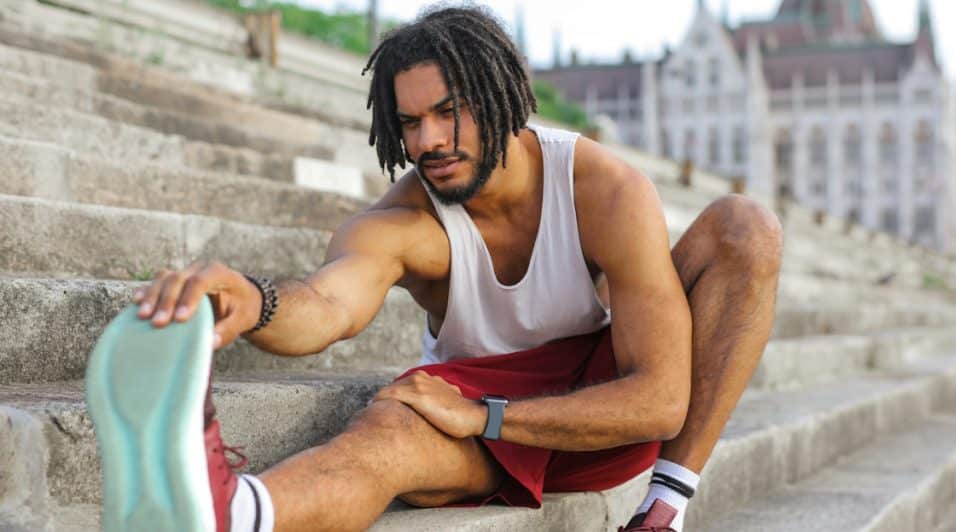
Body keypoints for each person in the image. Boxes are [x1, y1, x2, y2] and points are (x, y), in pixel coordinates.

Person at [104, 5, 782, 531]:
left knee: (745, 227)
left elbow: (660, 400)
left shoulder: (603, 190)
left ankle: (666, 507)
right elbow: (330, 304)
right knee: (387, 436)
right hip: (472, 407)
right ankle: (235, 513)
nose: (427, 141)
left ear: (500, 101)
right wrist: (255, 301)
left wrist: (485, 415)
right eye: (410, 123)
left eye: (448, 114)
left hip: (597, 412)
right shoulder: (405, 222)